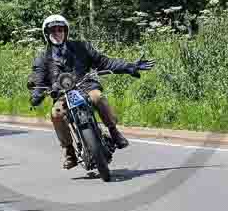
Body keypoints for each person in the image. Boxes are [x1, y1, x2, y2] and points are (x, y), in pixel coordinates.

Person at [28, 15, 155, 169]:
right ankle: (69, 151)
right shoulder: (42, 59)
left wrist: (129, 67)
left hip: (85, 86)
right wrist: (36, 94)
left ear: (65, 31)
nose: (57, 33)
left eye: (60, 29)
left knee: (97, 97)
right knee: (56, 114)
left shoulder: (81, 47)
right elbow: (38, 80)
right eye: (53, 30)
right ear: (46, 33)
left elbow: (104, 62)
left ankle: (114, 131)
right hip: (62, 94)